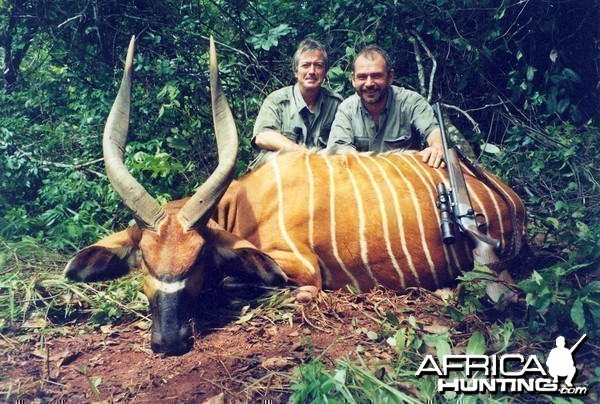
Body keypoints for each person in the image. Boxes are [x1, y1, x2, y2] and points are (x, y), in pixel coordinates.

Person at [326, 44, 444, 168]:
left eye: (376, 76)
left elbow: (432, 130)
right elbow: (338, 148)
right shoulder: (346, 109)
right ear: (353, 79)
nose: (369, 83)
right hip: (364, 176)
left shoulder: (411, 102)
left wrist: (437, 146)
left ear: (390, 77)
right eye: (362, 77)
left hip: (403, 175)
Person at [249, 38, 343, 170]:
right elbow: (262, 137)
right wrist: (301, 152)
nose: (312, 71)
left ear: (325, 72)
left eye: (318, 65)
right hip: (280, 175)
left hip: (319, 174)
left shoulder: (335, 104)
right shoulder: (277, 100)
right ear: (295, 71)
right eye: (305, 65)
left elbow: (343, 146)